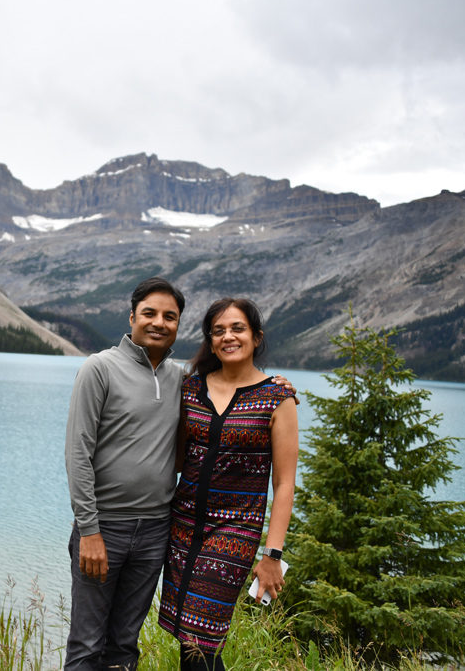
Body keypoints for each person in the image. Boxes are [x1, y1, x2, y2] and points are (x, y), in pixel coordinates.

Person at [158, 298, 299, 670]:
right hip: (182, 526)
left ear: (256, 337)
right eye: (218, 331)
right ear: (210, 339)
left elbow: (284, 485)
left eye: (237, 328)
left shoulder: (277, 398)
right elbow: (174, 459)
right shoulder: (191, 388)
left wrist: (273, 556)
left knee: (203, 639)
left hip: (233, 534)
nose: (228, 336)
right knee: (189, 640)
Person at [64, 276, 187, 670]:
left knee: (124, 646)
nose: (159, 322)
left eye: (170, 317)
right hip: (104, 528)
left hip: (154, 532)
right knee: (86, 646)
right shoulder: (99, 368)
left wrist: (276, 386)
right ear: (132, 316)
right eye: (149, 313)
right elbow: (77, 454)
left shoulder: (182, 378)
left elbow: (234, 384)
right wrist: (89, 531)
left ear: (178, 326)